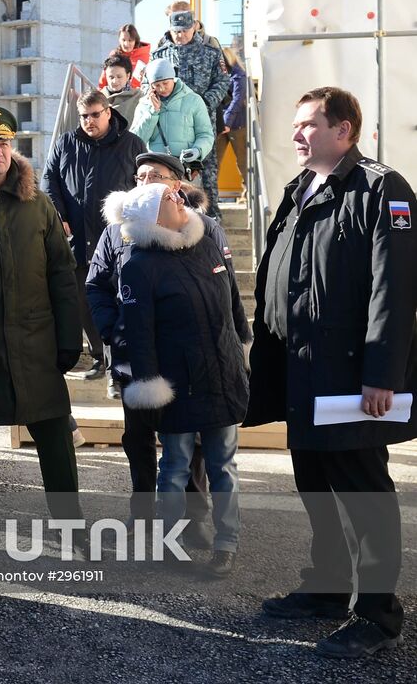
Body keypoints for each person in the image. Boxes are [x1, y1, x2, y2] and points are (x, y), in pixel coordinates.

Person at [245, 86, 417, 658]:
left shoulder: (380, 188)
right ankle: (325, 588)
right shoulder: (301, 190)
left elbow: (394, 291)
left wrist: (381, 374)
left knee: (363, 491)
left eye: (309, 125)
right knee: (315, 484)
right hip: (302, 373)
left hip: (350, 379)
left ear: (344, 130)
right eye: (296, 126)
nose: (297, 135)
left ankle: (377, 614)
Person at [86, 152, 248, 550]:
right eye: (139, 176)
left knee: (192, 453)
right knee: (141, 442)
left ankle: (194, 521)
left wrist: (238, 339)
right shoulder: (119, 232)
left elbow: (227, 292)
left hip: (199, 363)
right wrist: (113, 331)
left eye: (155, 176)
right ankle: (146, 518)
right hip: (139, 360)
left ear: (176, 183)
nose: (145, 182)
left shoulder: (206, 231)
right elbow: (97, 285)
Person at [0, 106, 83, 521]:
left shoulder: (37, 204)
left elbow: (62, 271)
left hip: (35, 345)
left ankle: (70, 527)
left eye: (3, 143)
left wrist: (68, 338)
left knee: (57, 444)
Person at [117, 183, 250, 577]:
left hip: (222, 375)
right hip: (178, 384)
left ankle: (226, 545)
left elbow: (232, 303)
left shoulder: (208, 243)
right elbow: (139, 334)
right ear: (152, 218)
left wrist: (241, 350)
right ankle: (169, 544)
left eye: (176, 194)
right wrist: (150, 385)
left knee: (224, 465)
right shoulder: (139, 266)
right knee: (174, 466)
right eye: (168, 199)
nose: (179, 198)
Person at [41, 89, 146, 388]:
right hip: (77, 240)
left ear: (108, 112)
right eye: (84, 116)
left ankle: (120, 365)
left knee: (120, 302)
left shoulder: (132, 144)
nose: (89, 121)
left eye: (95, 114)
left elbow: (142, 187)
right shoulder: (66, 143)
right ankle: (100, 356)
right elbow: (50, 180)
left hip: (118, 241)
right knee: (85, 302)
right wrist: (58, 214)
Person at [153, 7, 229, 217]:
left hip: (201, 124)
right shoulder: (159, 56)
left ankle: (211, 217)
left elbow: (223, 81)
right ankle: (171, 215)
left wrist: (204, 103)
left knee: (207, 173)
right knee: (169, 172)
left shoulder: (210, 53)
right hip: (169, 127)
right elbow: (146, 84)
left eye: (185, 30)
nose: (181, 35)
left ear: (194, 27)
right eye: (177, 31)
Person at [130, 57, 214, 168]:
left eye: (165, 83)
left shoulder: (194, 100)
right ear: (151, 85)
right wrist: (152, 112)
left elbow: (205, 134)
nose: (162, 89)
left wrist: (197, 150)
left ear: (173, 78)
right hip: (155, 167)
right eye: (157, 85)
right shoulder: (144, 105)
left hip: (185, 167)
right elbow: (136, 140)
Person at [216, 47, 248, 199]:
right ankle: (212, 196)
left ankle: (247, 194)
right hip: (221, 124)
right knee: (215, 161)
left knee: (243, 162)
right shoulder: (219, 74)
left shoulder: (238, 74)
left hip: (237, 125)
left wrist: (227, 122)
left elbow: (237, 99)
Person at [98, 23, 150, 90]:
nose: (126, 44)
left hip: (138, 95)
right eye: (123, 40)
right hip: (114, 95)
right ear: (119, 40)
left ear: (135, 40)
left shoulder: (144, 55)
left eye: (130, 40)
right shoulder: (114, 54)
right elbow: (104, 78)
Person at [100, 52, 141, 126]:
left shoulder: (138, 96)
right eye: (111, 77)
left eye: (119, 77)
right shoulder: (98, 98)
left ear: (128, 76)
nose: (114, 81)